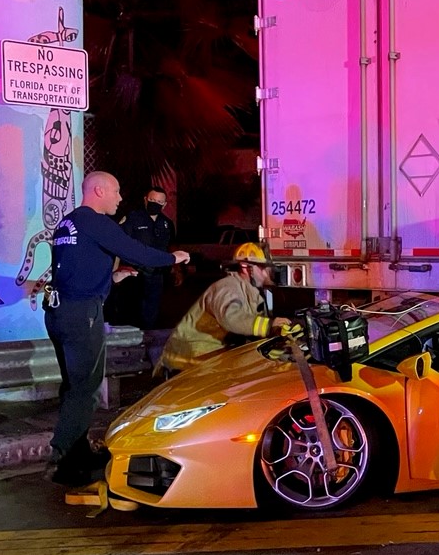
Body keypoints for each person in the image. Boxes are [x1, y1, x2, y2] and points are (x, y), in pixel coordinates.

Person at [47, 172, 190, 486]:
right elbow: (135, 249)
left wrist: (113, 279)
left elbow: (74, 270)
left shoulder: (68, 223)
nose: (120, 198)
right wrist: (171, 258)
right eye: (116, 190)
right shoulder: (95, 221)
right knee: (86, 389)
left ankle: (79, 451)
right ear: (99, 190)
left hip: (61, 311)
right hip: (81, 314)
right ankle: (64, 457)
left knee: (73, 386)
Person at [157, 242, 295, 374]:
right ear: (246, 267)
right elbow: (232, 319)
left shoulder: (251, 292)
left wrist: (278, 334)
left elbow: (251, 331)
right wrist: (270, 325)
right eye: (264, 268)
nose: (269, 272)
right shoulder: (227, 287)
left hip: (209, 359)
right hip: (189, 362)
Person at [118, 186, 175, 328]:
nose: (155, 203)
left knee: (152, 315)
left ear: (164, 204)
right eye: (152, 200)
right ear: (145, 200)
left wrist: (176, 270)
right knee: (131, 313)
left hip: (156, 276)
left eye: (159, 201)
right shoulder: (132, 219)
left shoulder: (167, 223)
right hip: (134, 275)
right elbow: (120, 246)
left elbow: (171, 248)